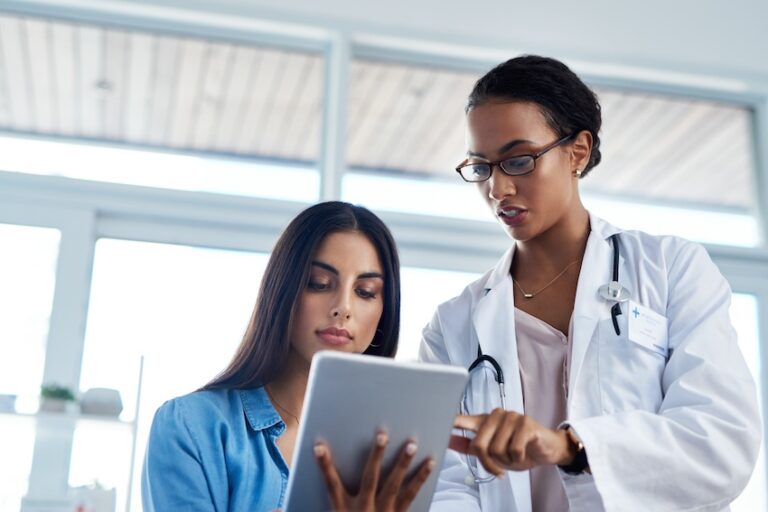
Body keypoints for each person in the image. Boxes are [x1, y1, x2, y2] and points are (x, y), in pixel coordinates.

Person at [419, 55, 761, 511]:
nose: (498, 189)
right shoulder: (453, 326)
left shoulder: (670, 270)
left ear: (577, 151)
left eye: (518, 161)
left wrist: (571, 447)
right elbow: (445, 483)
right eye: (482, 168)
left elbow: (720, 441)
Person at [142, 201, 434, 512]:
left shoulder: (396, 449)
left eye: (365, 291)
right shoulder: (191, 426)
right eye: (319, 284)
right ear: (283, 289)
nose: (343, 307)